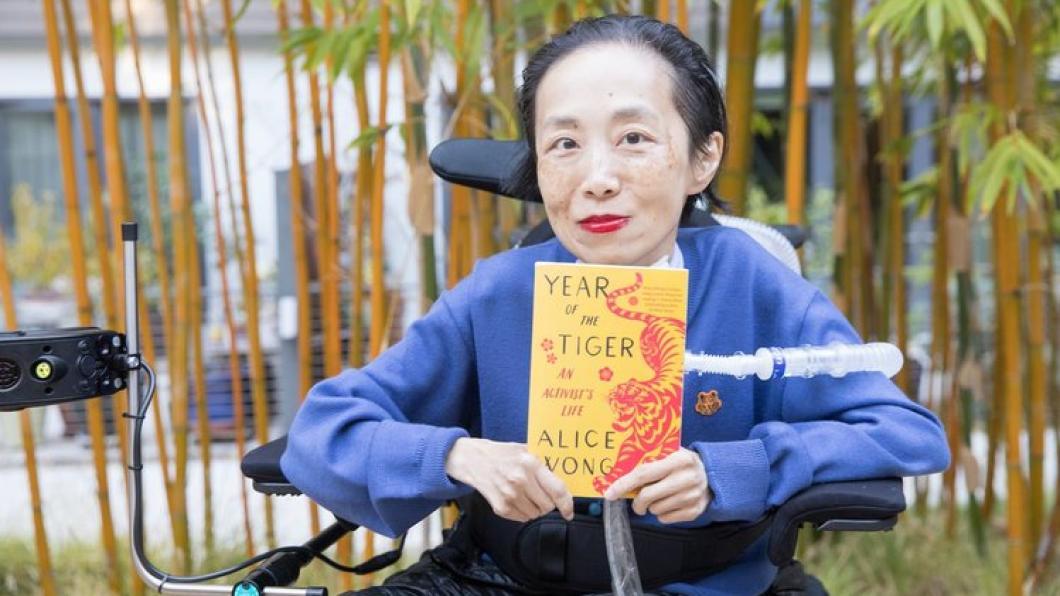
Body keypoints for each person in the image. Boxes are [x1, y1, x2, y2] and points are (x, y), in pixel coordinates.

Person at [281, 14, 950, 595]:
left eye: (633, 138)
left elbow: (902, 431)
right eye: (565, 144)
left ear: (701, 159)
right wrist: (459, 457)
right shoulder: (501, 291)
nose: (597, 179)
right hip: (499, 580)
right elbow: (324, 429)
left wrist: (731, 469)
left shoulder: (752, 283)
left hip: (705, 585)